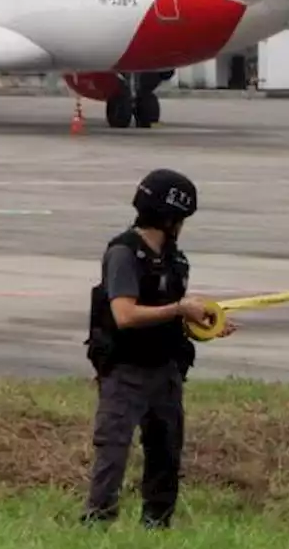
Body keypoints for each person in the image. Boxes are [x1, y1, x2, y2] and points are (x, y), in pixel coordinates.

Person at [80, 168, 235, 528]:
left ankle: (157, 523)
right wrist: (181, 308)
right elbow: (125, 314)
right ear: (168, 216)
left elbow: (167, 318)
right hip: (126, 370)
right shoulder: (124, 254)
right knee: (114, 448)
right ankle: (98, 520)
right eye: (181, 219)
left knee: (166, 450)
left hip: (165, 370)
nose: (182, 227)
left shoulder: (175, 260)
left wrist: (204, 325)